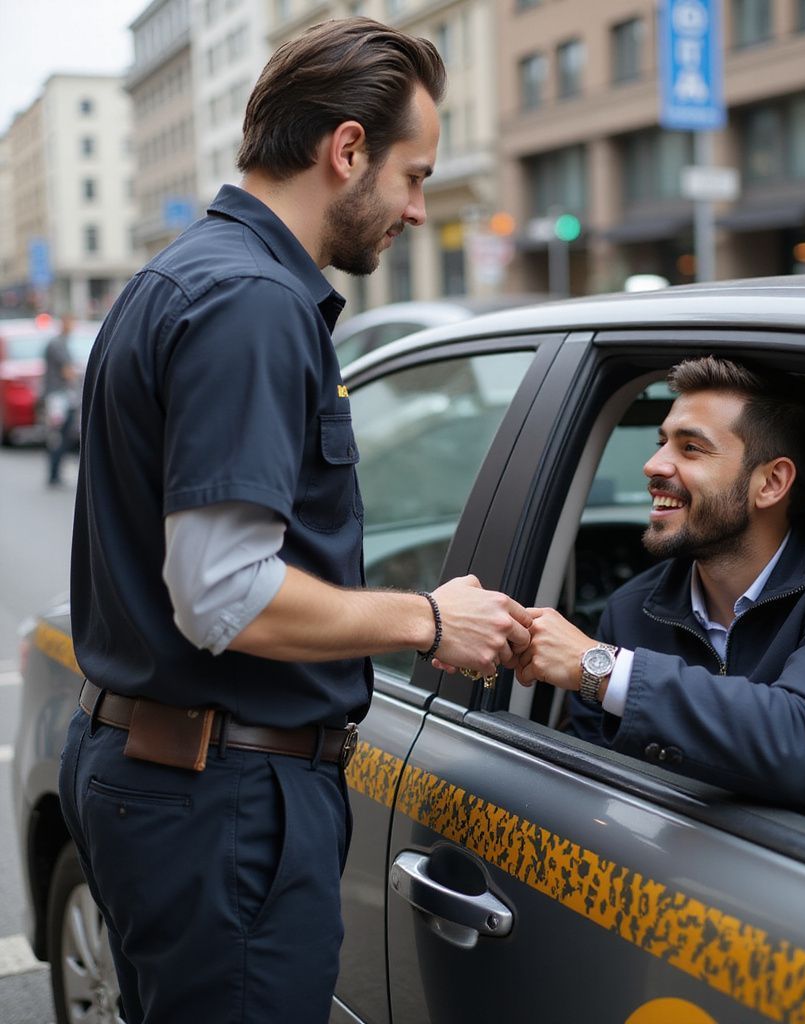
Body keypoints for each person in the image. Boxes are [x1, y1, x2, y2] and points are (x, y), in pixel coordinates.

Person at [59, 19, 530, 1024]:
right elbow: (223, 593)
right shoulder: (252, 302)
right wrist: (430, 622)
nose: (414, 206)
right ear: (347, 148)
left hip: (174, 782)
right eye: (413, 174)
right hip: (222, 803)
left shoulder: (186, 275)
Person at [511, 356, 805, 840]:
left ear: (770, 483)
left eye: (691, 448)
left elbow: (803, 740)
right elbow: (594, 791)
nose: (654, 464)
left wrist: (600, 668)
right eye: (663, 442)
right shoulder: (631, 607)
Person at [41, 314, 77, 486]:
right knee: (59, 435)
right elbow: (67, 370)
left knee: (61, 434)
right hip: (58, 398)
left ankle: (55, 472)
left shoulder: (60, 343)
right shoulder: (58, 344)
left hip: (58, 396)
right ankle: (54, 473)